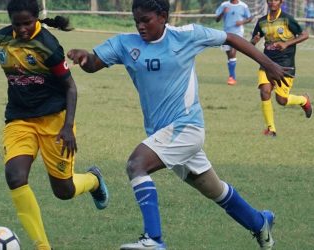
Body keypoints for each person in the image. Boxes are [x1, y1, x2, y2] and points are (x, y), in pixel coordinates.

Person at [67, 0, 290, 249]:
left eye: (146, 20)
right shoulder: (124, 44)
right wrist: (84, 57)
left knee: (136, 164)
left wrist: (268, 64)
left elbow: (230, 37)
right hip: (163, 134)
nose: (140, 26)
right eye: (136, 21)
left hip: (187, 128)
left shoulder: (186, 36)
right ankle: (260, 222)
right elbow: (94, 63)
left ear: (163, 17)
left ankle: (154, 239)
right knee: (215, 190)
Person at [0, 0, 109, 249]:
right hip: (19, 120)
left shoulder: (48, 46)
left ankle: (93, 180)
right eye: (17, 24)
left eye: (27, 23)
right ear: (10, 22)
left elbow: (70, 87)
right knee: (15, 177)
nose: (23, 29)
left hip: (54, 122)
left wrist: (68, 127)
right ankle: (42, 246)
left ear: (36, 18)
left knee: (64, 190)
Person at [251, 0, 312, 137]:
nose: (273, 2)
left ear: (281, 2)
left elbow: (305, 35)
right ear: (267, 2)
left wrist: (286, 44)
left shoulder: (287, 19)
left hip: (285, 64)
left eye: (276, 0)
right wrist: (254, 41)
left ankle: (303, 100)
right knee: (265, 91)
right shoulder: (261, 21)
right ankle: (271, 129)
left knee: (281, 100)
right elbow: (255, 39)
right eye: (270, 0)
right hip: (267, 62)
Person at [215, 0, 253, 85]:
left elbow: (250, 18)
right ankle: (232, 76)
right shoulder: (224, 5)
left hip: (238, 32)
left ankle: (232, 77)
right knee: (229, 56)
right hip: (226, 33)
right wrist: (222, 13)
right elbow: (217, 19)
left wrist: (242, 22)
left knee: (233, 52)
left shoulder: (243, 6)